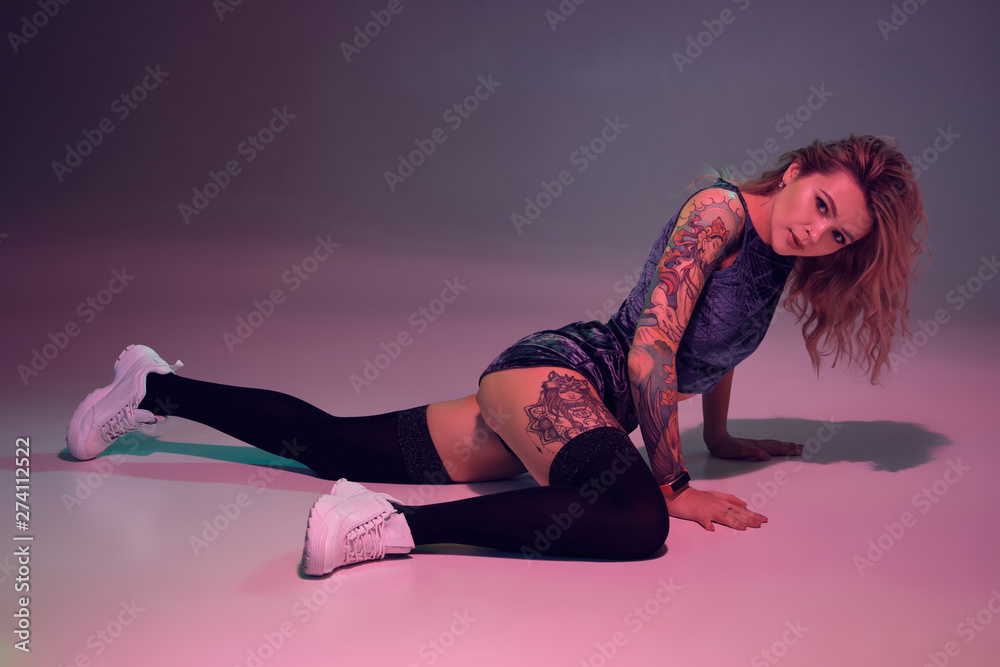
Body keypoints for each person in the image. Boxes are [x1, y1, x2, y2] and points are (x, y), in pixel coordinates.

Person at [66, 135, 927, 576]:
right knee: (639, 521)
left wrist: (724, 437)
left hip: (571, 400)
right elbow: (649, 356)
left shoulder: (778, 256)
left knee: (330, 442)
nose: (817, 231)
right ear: (800, 169)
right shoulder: (720, 212)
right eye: (821, 205)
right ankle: (384, 525)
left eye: (837, 235)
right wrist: (676, 484)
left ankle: (156, 387)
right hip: (564, 372)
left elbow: (716, 347)